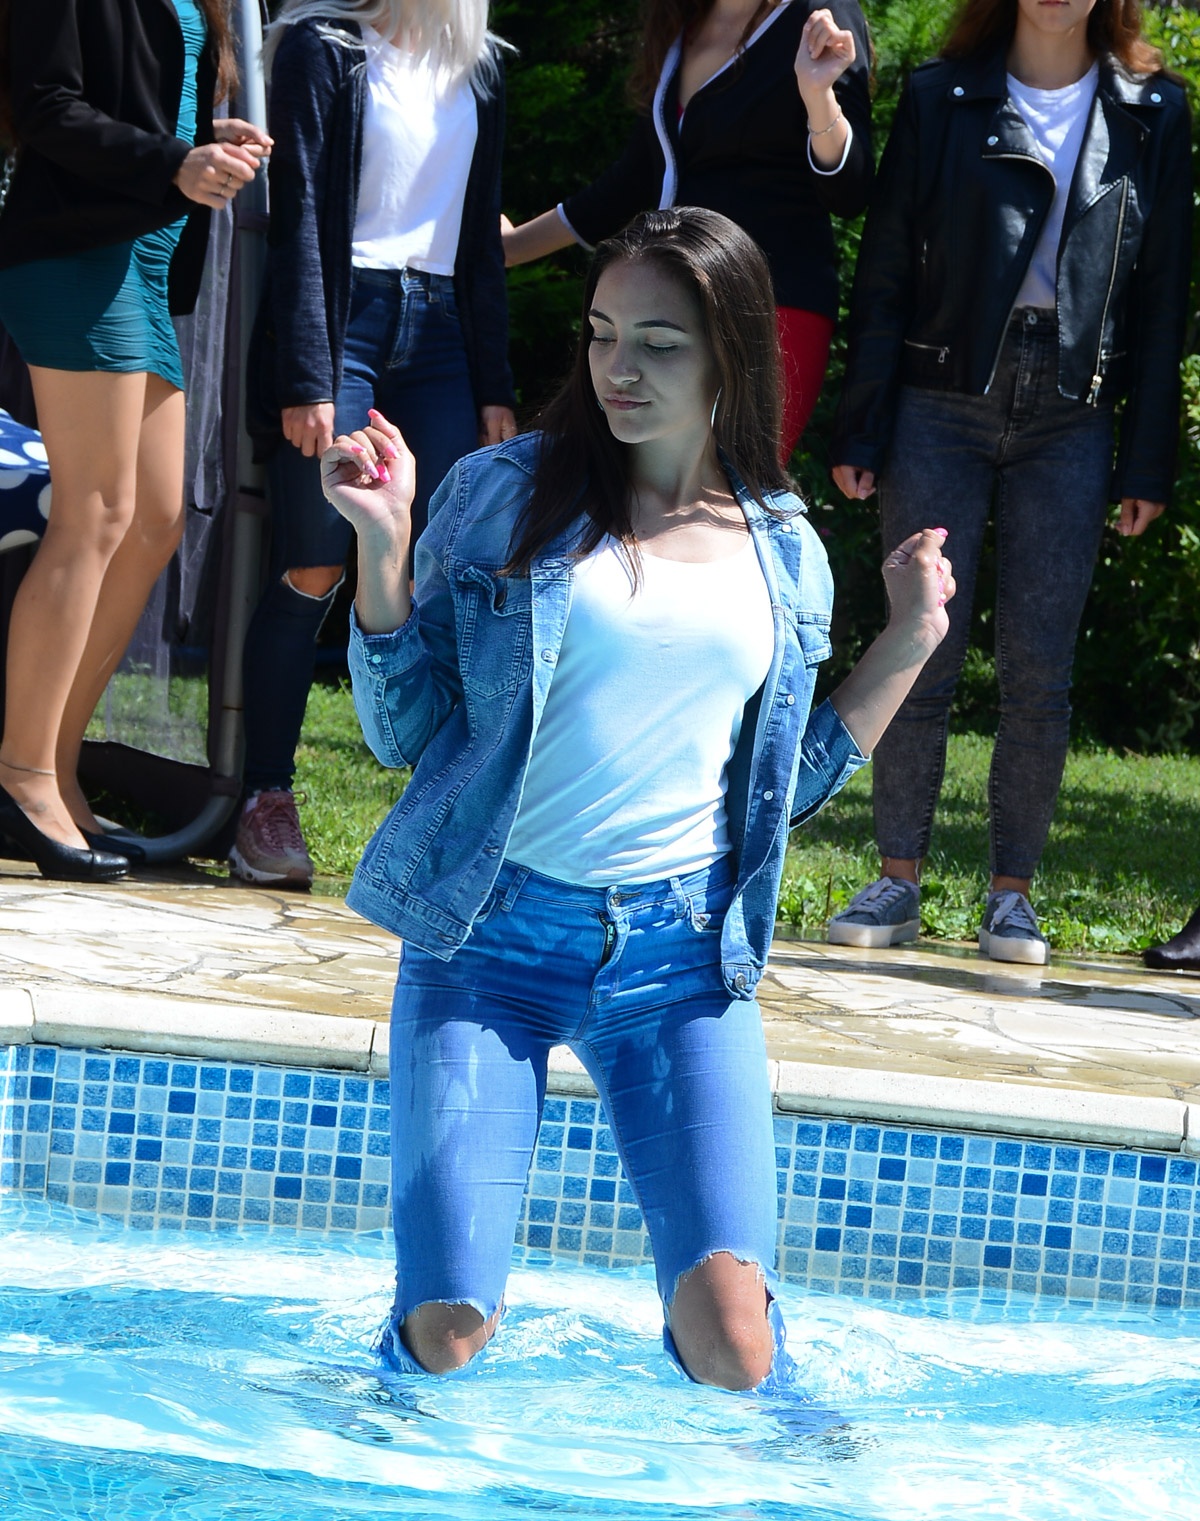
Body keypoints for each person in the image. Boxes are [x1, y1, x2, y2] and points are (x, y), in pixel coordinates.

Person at [321, 208, 954, 1391]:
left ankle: (772, 1482)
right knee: (448, 1327)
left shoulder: (785, 552)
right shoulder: (504, 493)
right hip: (486, 942)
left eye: (658, 344)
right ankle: (373, 1444)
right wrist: (384, 548)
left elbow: (778, 791)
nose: (618, 367)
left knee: (737, 1344)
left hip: (679, 958)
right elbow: (401, 732)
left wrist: (912, 638)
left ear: (730, 356)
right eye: (603, 333)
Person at [826, 0, 1192, 965]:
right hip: (938, 397)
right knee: (921, 645)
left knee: (1039, 669)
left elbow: (1163, 297)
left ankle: (1012, 897)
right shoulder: (942, 96)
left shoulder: (1153, 108)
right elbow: (885, 272)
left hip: (1075, 408)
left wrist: (1147, 457)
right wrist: (862, 420)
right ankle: (896, 880)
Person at [234, 0, 516, 890]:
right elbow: (300, 215)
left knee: (449, 571)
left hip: (442, 335)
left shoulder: (482, 65)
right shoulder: (323, 47)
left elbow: (480, 239)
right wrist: (306, 373)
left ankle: (448, 815)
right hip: (343, 326)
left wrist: (496, 384)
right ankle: (264, 800)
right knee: (316, 561)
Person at [0, 0, 269, 882]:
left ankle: (57, 766)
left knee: (154, 520)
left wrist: (204, 141)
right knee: (96, 513)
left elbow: (138, 98)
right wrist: (174, 162)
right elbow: (45, 104)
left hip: (146, 260)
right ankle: (22, 775)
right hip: (76, 253)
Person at [501, 0, 872, 459]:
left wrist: (818, 96)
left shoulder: (819, 15)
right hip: (664, 303)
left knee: (732, 481)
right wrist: (512, 246)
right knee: (629, 480)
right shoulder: (680, 24)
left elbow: (849, 189)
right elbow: (634, 180)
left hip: (769, 307)